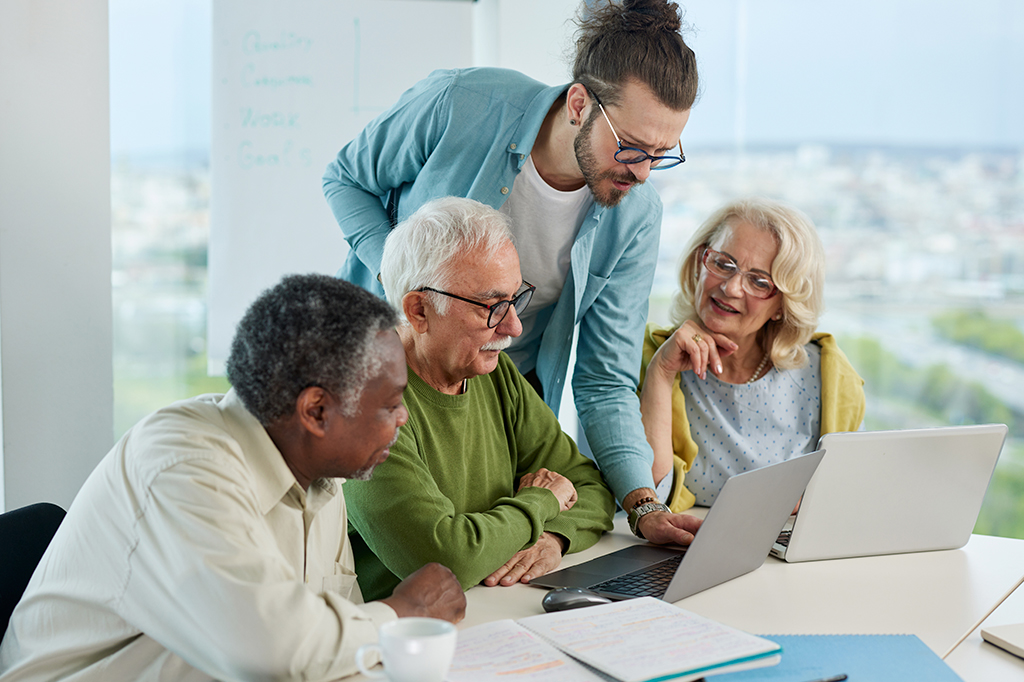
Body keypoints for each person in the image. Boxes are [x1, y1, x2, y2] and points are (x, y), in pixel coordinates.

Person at [323, 0, 702, 544]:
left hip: (494, 413)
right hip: (382, 373)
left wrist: (642, 505)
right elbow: (346, 178)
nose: (641, 173)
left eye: (662, 155)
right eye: (631, 147)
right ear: (579, 104)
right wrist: (404, 277)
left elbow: (604, 380)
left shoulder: (635, 217)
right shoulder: (462, 102)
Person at [0, 275, 465, 682]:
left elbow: (328, 643)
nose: (403, 417)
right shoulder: (180, 464)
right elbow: (272, 648)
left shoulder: (322, 477)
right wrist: (405, 613)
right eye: (390, 404)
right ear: (316, 411)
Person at [343, 197, 616, 601]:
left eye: (515, 299)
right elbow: (443, 561)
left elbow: (590, 488)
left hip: (499, 609)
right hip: (409, 638)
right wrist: (540, 504)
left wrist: (554, 536)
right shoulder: (364, 403)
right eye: (491, 307)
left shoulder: (494, 371)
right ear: (418, 311)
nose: (514, 326)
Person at [638, 197, 866, 512]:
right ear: (700, 262)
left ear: (782, 305)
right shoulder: (650, 356)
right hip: (684, 549)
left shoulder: (827, 375)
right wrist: (661, 374)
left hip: (794, 553)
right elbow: (649, 500)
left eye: (758, 282)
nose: (731, 288)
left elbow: (850, 494)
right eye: (722, 263)